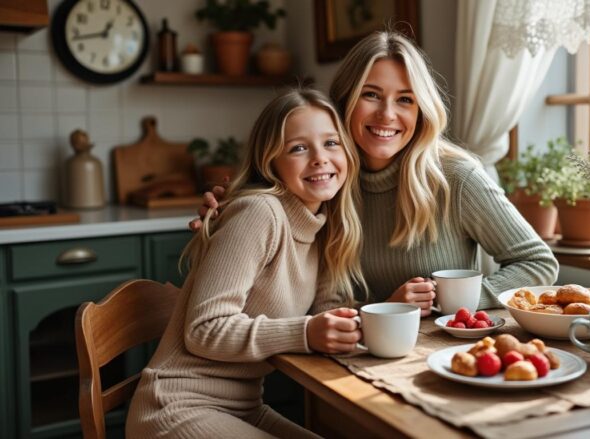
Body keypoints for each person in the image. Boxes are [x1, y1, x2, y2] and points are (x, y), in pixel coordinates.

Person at [192, 31, 558, 317]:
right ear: (345, 101)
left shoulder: (455, 177)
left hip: (441, 355)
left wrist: (447, 300)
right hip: (354, 358)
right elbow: (268, 226)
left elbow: (539, 264)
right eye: (371, 95)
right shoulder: (325, 184)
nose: (387, 115)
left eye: (405, 99)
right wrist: (229, 206)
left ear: (421, 111)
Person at [126, 88, 364, 438]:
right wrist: (307, 332)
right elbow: (203, 330)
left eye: (331, 143)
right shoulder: (260, 213)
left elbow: (327, 311)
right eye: (298, 148)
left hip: (243, 410)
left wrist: (385, 313)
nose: (319, 158)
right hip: (177, 409)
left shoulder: (323, 226)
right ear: (271, 163)